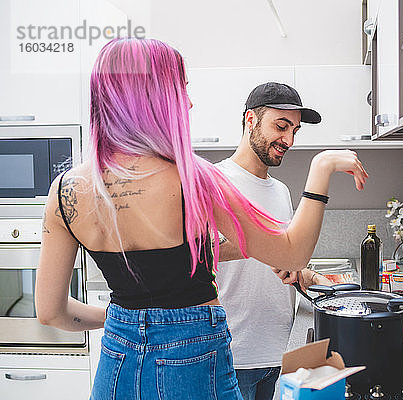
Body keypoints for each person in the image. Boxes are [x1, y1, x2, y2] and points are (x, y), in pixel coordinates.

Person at [34, 38, 368, 400]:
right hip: (192, 365)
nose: (189, 102)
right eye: (181, 89)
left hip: (116, 362)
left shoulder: (66, 190)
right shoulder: (194, 179)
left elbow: (51, 312)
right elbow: (292, 255)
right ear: (152, 96)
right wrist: (322, 168)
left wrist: (125, 322)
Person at [215, 82, 333, 400]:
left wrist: (303, 276)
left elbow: (278, 262)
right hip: (232, 357)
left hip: (279, 355)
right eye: (281, 126)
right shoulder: (215, 183)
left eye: (295, 130)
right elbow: (198, 256)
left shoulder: (280, 190)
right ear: (251, 120)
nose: (289, 140)